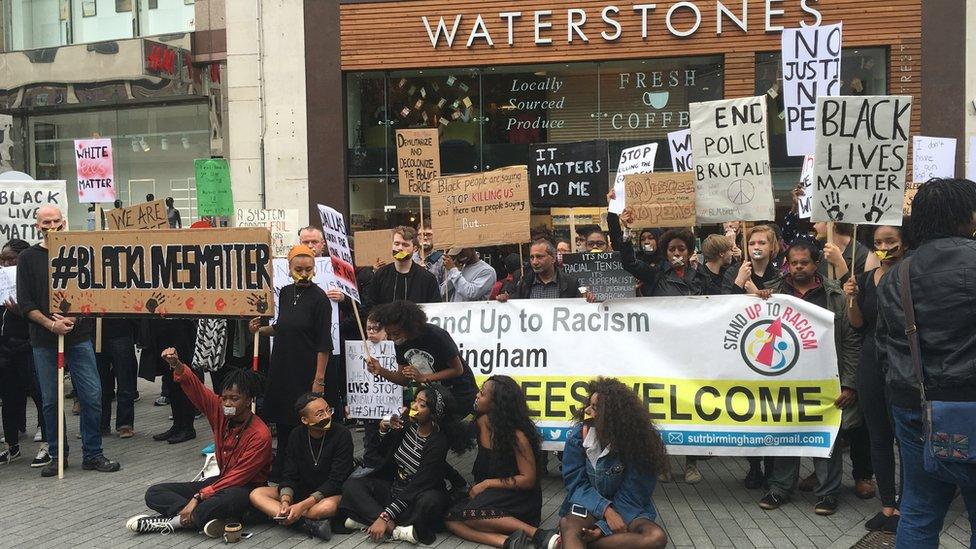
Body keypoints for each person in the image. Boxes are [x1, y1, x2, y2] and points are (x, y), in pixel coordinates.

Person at [875, 178, 976, 548]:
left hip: (916, 404)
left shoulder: (895, 276)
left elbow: (884, 347)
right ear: (967, 217)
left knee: (919, 508)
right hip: (972, 402)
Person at [15, 205, 120, 477]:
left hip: (78, 337)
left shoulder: (77, 253)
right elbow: (26, 303)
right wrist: (51, 324)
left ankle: (93, 453)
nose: (52, 226)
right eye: (46, 222)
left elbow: (91, 293)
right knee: (51, 401)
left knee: (92, 395)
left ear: (64, 222)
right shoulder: (27, 258)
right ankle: (58, 455)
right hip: (43, 340)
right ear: (38, 226)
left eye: (56, 221)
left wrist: (71, 318)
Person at [759, 240, 861, 516]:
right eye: (794, 263)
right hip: (784, 380)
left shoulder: (835, 295)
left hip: (826, 382)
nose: (799, 267)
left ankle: (828, 494)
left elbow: (851, 341)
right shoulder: (774, 292)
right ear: (787, 264)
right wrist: (760, 297)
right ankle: (779, 489)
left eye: (804, 262)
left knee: (825, 438)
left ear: (816, 264)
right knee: (783, 436)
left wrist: (850, 382)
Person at [127, 349, 272, 537]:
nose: (227, 403)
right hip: (221, 481)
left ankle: (172, 522)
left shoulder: (260, 434)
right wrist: (176, 365)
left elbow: (238, 477)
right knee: (154, 492)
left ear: (248, 401)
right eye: (225, 398)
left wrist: (199, 496)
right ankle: (197, 517)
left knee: (221, 500)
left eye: (234, 399)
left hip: (246, 488)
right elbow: (197, 389)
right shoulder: (220, 410)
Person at [366, 300, 478, 494]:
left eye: (396, 333)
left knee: (433, 443)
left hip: (459, 395)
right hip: (432, 397)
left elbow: (457, 369)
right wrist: (381, 370)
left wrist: (424, 377)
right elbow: (404, 379)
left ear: (410, 326)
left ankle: (454, 484)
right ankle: (455, 483)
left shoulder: (436, 336)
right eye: (390, 333)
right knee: (425, 444)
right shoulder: (401, 344)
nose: (393, 338)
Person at [339, 385, 472, 545]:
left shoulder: (438, 442)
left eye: (422, 405)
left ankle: (373, 520)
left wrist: (385, 515)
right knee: (352, 485)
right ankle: (396, 530)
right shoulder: (408, 424)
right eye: (415, 401)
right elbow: (381, 453)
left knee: (430, 501)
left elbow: (418, 485)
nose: (414, 406)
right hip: (395, 488)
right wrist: (383, 429)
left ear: (434, 413)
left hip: (417, 495)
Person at [249, 244, 332, 481]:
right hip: (282, 369)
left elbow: (324, 343)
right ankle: (282, 471)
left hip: (305, 371)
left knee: (302, 425)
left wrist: (319, 380)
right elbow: (282, 327)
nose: (304, 274)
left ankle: (302, 473)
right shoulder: (285, 293)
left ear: (315, 269)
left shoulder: (320, 300)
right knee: (283, 424)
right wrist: (260, 329)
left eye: (308, 269)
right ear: (289, 268)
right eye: (298, 269)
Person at [844, 224, 906, 533]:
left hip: (902, 362)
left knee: (904, 437)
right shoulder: (866, 279)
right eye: (880, 242)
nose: (884, 246)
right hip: (871, 361)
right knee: (877, 435)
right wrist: (851, 297)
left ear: (903, 243)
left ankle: (907, 504)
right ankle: (887, 504)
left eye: (891, 241)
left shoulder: (910, 275)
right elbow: (857, 324)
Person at [446, 376, 555, 549]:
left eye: (482, 394)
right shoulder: (480, 422)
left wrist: (487, 484)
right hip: (490, 497)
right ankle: (507, 542)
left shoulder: (517, 436)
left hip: (518, 498)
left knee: (468, 515)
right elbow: (454, 434)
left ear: (495, 403)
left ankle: (537, 534)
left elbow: (528, 480)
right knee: (450, 519)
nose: (477, 396)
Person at [558, 377, 668, 549]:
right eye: (589, 404)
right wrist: (606, 511)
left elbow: (634, 494)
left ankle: (576, 543)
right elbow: (576, 485)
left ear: (612, 417)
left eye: (594, 408)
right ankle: (575, 539)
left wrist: (602, 528)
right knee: (569, 524)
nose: (587, 410)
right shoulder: (578, 436)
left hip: (628, 508)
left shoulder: (641, 442)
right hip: (589, 505)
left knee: (656, 537)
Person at [250, 392, 353, 540]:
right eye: (319, 413)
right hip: (302, 490)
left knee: (325, 507)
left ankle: (284, 517)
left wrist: (303, 505)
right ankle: (305, 523)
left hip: (329, 494)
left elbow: (336, 480)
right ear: (305, 420)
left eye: (328, 410)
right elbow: (289, 474)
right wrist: (285, 500)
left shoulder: (341, 434)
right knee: (257, 494)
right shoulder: (296, 435)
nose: (326, 416)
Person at [0, 239, 50, 467]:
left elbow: (40, 313)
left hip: (29, 345)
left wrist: (19, 311)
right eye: (3, 260)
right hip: (6, 348)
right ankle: (11, 445)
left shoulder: (31, 277)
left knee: (40, 396)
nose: (6, 263)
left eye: (11, 259)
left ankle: (47, 445)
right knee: (9, 398)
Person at [140, 318, 199, 444]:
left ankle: (188, 427)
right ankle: (177, 425)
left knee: (184, 377)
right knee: (170, 379)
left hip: (181, 325)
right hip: (162, 326)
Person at [367, 226, 441, 306]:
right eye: (397, 243)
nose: (400, 248)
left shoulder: (427, 279)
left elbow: (435, 308)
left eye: (405, 245)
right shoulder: (381, 275)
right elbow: (371, 305)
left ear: (415, 248)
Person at [496, 240, 583, 301]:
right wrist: (506, 300)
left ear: (553, 258)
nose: (534, 262)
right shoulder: (523, 283)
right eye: (532, 257)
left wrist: (588, 300)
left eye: (539, 257)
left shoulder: (571, 283)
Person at [96, 319, 138, 438]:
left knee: (125, 380)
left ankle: (125, 423)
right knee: (100, 383)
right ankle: (101, 424)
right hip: (96, 332)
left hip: (121, 330)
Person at [723, 224, 782, 296]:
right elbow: (727, 304)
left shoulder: (778, 277)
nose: (756, 247)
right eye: (751, 244)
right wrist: (739, 281)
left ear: (772, 246)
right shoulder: (733, 272)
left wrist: (756, 293)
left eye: (762, 243)